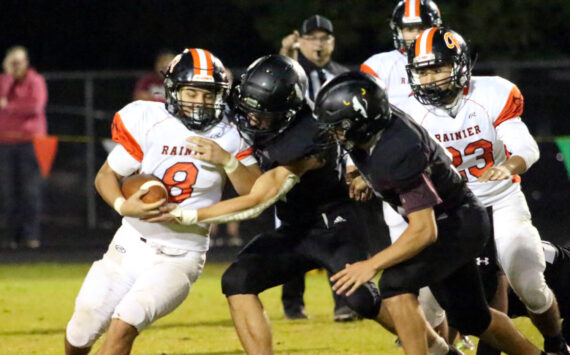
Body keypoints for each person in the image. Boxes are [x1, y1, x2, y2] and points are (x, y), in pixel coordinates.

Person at [149, 55, 459, 355]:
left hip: (333, 224)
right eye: (248, 109)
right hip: (294, 226)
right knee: (237, 280)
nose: (252, 119)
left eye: (264, 114)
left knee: (361, 299)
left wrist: (184, 214)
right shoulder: (250, 106)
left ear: (288, 110)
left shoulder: (312, 132)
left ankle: (439, 350)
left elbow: (260, 197)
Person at [314, 70, 547, 355]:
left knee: (394, 285)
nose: (335, 134)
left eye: (339, 127)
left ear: (361, 122)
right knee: (473, 317)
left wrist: (372, 263)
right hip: (456, 219)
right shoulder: (379, 129)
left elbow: (424, 230)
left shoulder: (398, 150)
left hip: (456, 225)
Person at [64, 48, 261, 355]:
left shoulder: (230, 133)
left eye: (209, 94)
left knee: (124, 324)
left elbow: (255, 193)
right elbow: (106, 175)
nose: (200, 102)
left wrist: (228, 161)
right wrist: (122, 205)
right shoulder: (149, 120)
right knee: (80, 330)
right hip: (130, 243)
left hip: (181, 255)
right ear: (173, 89)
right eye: (192, 92)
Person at [402, 26, 570, 354]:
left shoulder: (492, 93)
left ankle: (555, 342)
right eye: (422, 71)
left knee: (528, 281)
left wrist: (508, 166)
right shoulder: (409, 112)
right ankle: (441, 350)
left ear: (460, 65)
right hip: (447, 210)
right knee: (426, 297)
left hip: (501, 199)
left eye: (437, 67)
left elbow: (526, 146)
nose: (429, 78)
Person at [279, 14, 362, 322]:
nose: (319, 44)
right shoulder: (291, 71)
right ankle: (292, 305)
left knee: (337, 234)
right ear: (299, 41)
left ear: (333, 43)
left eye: (324, 38)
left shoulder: (344, 76)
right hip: (295, 164)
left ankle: (343, 304)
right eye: (312, 37)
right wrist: (285, 54)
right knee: (290, 235)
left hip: (334, 166)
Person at [0, 45, 48, 249]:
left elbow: (35, 107)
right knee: (8, 191)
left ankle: (30, 235)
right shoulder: (4, 82)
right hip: (5, 143)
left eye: (19, 62)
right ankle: (11, 236)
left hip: (30, 143)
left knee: (30, 191)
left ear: (26, 62)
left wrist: (8, 107)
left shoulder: (36, 81)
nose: (16, 66)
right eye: (12, 63)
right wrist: (7, 79)